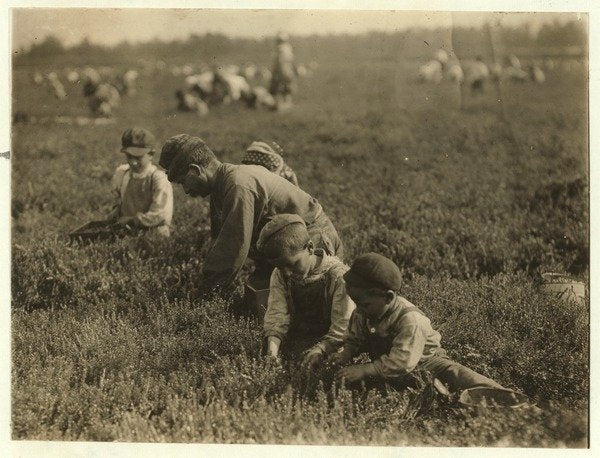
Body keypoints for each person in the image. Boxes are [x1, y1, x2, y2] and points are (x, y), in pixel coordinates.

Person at [159, 134, 343, 294]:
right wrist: (206, 282)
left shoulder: (238, 184)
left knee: (300, 301)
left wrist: (207, 292)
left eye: (184, 181)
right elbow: (218, 241)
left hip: (312, 242)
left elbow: (233, 247)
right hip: (286, 246)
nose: (185, 190)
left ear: (196, 170)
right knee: (257, 295)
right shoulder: (221, 186)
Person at [332, 253, 505, 394]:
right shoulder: (364, 312)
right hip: (391, 369)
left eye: (364, 303)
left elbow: (402, 362)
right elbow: (355, 337)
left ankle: (516, 403)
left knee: (463, 379)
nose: (359, 309)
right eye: (355, 301)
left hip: (428, 363)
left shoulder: (411, 320)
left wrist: (365, 369)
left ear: (389, 297)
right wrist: (346, 353)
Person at [257, 214, 355, 373]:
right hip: (299, 335)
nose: (287, 273)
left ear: (310, 248)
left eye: (292, 264)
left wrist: (320, 350)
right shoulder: (279, 273)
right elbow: (277, 315)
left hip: (333, 342)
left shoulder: (338, 277)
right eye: (281, 267)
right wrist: (272, 353)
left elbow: (343, 327)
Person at [106, 127, 173, 237]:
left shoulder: (158, 178)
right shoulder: (122, 173)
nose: (133, 162)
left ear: (151, 154)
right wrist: (115, 212)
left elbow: (161, 215)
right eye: (129, 156)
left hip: (153, 232)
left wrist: (132, 220)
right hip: (126, 231)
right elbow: (118, 200)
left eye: (138, 157)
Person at [269, 32, 297, 111]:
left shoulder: (279, 49)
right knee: (287, 89)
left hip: (281, 71)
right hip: (288, 71)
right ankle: (287, 105)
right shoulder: (289, 48)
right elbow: (291, 61)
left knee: (279, 88)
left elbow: (279, 62)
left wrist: (276, 73)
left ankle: (280, 106)